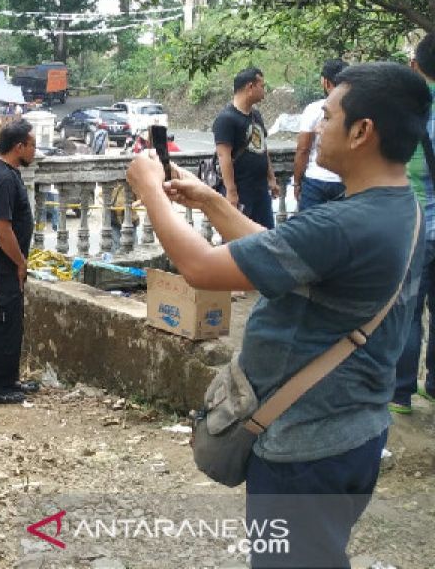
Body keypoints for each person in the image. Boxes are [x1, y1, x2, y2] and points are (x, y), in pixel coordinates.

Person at [128, 62, 428, 569]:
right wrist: (207, 201)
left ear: (362, 132)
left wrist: (149, 191)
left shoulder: (344, 222)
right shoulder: (400, 207)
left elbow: (200, 268)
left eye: (328, 116)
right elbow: (277, 252)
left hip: (306, 448)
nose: (319, 127)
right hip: (354, 430)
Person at [0, 120, 40, 404]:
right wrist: (19, 261)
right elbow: (0, 228)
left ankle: (9, 379)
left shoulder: (9, 173)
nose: (34, 151)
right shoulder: (3, 178)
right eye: (32, 145)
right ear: (19, 147)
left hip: (10, 265)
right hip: (4, 264)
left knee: (13, 324)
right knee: (2, 323)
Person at [393, 33, 435, 414]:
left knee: (408, 308)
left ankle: (401, 392)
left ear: (416, 67)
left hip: (418, 226)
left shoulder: (412, 113)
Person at [212, 67, 278, 229]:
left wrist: (271, 178)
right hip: (242, 190)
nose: (264, 91)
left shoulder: (256, 116)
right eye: (261, 86)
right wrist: (231, 192)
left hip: (260, 189)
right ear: (250, 87)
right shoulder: (226, 119)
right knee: (238, 238)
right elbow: (223, 156)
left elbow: (263, 147)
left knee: (267, 235)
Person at [294, 59, 348, 210]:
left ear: (326, 82)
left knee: (310, 231)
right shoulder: (357, 109)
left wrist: (297, 181)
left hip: (316, 180)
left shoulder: (314, 109)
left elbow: (303, 149)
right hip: (346, 181)